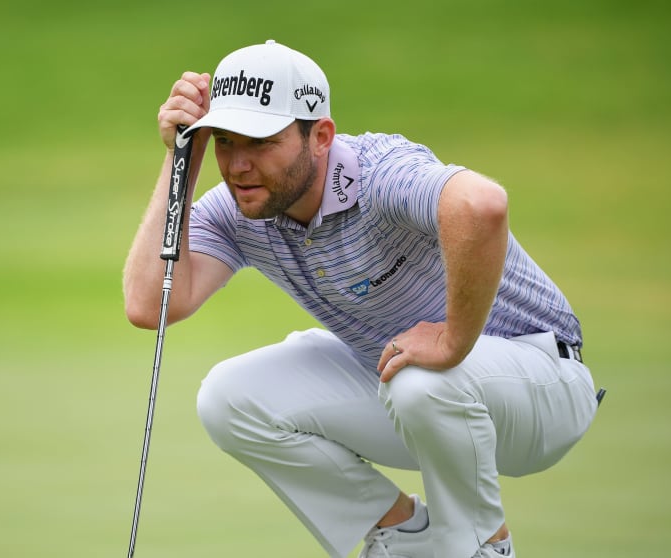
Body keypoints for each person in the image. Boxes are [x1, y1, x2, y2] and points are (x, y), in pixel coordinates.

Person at [123, 39, 600, 558]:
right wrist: (181, 157)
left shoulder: (380, 172)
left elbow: (481, 205)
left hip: (542, 387)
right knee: (228, 398)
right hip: (422, 403)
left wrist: (453, 340)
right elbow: (152, 305)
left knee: (420, 378)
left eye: (260, 142)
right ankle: (405, 535)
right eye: (224, 142)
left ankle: (480, 545)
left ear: (320, 135)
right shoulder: (241, 209)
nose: (238, 165)